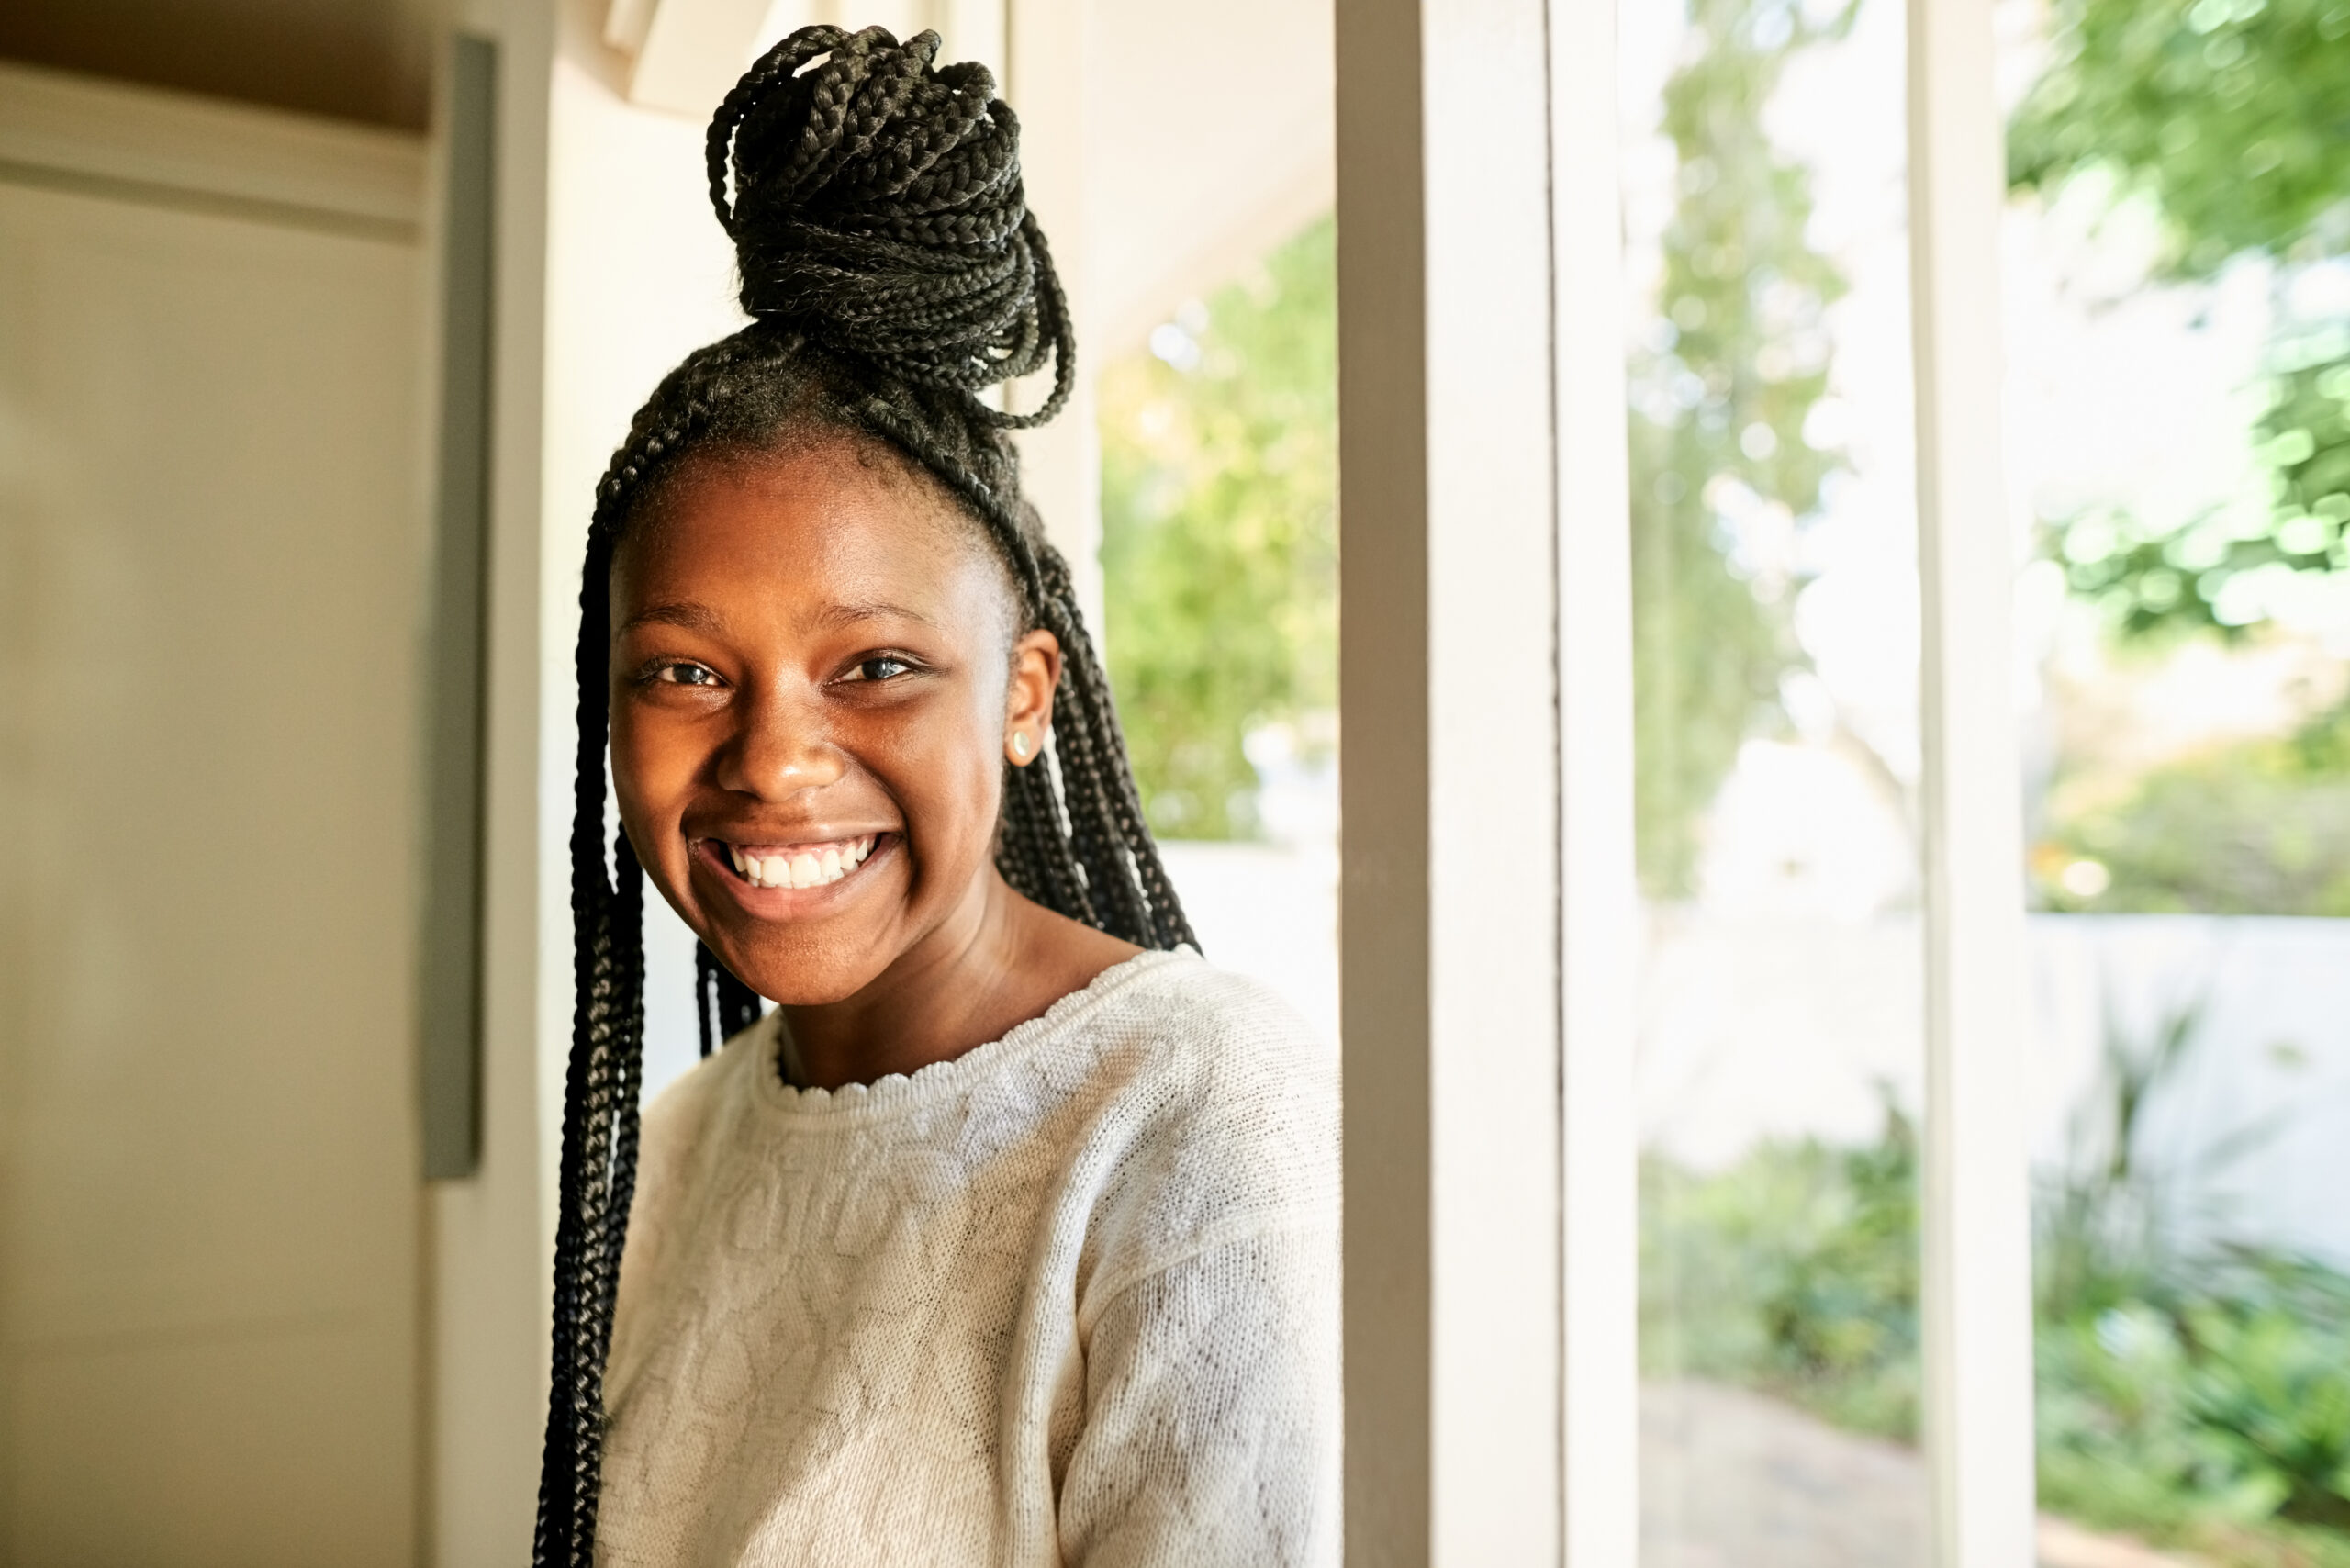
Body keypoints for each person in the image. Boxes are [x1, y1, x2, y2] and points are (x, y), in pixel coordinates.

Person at [532, 25, 1339, 1568]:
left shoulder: (1198, 1126)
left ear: (1025, 695)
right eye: (687, 673)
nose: (772, 760)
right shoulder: (692, 1135)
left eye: (878, 666)